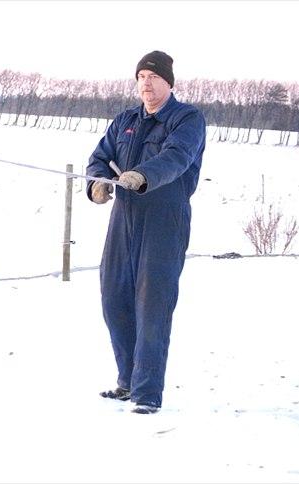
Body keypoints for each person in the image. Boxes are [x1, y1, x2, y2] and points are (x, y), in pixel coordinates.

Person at [86, 51, 206, 414]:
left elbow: (177, 157)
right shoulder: (125, 119)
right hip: (123, 218)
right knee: (114, 297)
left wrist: (143, 175)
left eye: (153, 77)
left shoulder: (187, 119)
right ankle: (126, 381)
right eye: (141, 77)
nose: (146, 83)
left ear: (169, 82)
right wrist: (96, 184)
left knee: (152, 304)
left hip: (164, 219)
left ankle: (148, 393)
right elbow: (98, 158)